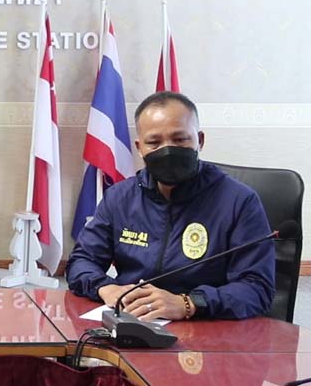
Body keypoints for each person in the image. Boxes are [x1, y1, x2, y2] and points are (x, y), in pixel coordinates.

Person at [66, 91, 274, 320]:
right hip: (133, 320)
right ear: (140, 148)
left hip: (207, 326)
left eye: (180, 139)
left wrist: (189, 303)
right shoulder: (119, 197)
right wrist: (107, 288)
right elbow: (82, 261)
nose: (167, 150)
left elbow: (257, 288)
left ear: (200, 140)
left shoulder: (239, 201)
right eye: (154, 143)